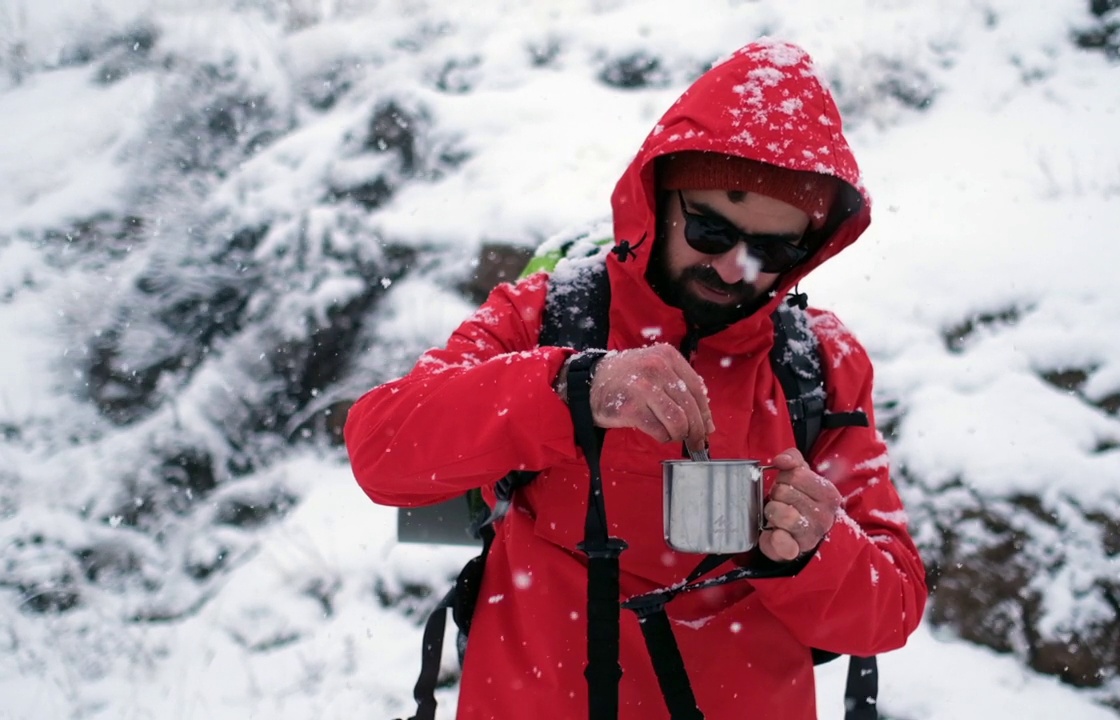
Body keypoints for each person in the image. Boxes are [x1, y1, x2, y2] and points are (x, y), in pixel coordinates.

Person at [344, 39, 928, 720]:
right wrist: (571, 390)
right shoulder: (548, 315)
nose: (736, 267)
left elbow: (890, 612)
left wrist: (818, 549)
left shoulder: (820, 365)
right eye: (711, 230)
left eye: (774, 248)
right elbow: (381, 451)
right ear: (659, 196)